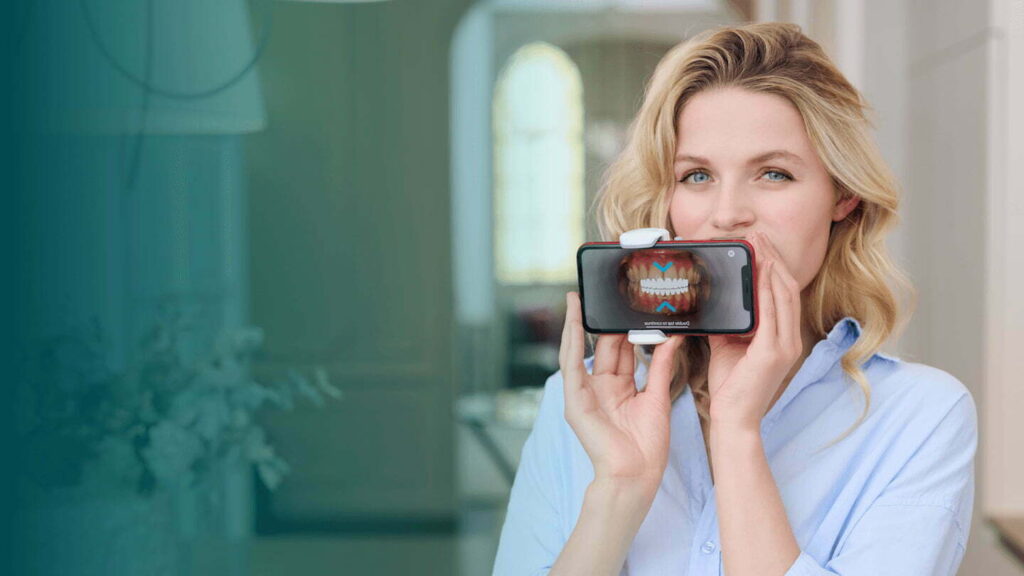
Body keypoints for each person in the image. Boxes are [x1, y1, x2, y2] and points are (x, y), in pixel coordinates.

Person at [492, 22, 976, 576]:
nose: (726, 214)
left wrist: (737, 434)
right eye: (696, 175)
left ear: (842, 194)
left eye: (773, 173)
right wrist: (619, 491)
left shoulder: (922, 417)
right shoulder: (579, 406)